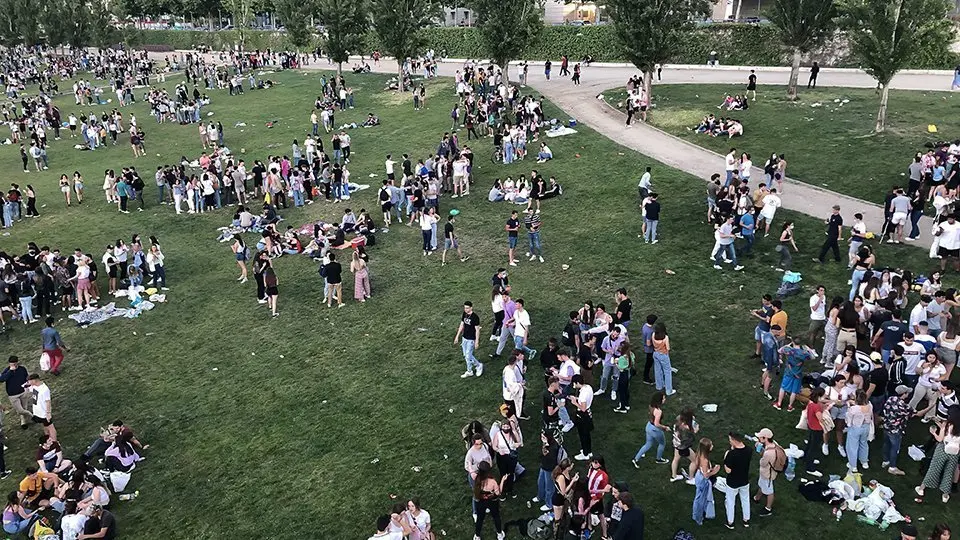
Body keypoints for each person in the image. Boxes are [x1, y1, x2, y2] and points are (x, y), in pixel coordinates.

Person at [914, 407, 960, 503]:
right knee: (949, 472)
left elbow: (940, 439)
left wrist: (934, 433)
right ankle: (945, 495)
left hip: (942, 449)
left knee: (934, 469)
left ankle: (922, 489)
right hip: (955, 452)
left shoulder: (946, 424)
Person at [881, 384, 914, 475]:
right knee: (894, 448)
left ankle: (885, 461)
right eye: (907, 393)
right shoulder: (903, 405)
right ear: (904, 394)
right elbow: (916, 414)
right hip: (895, 430)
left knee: (886, 444)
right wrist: (930, 407)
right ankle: (892, 467)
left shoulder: (890, 399)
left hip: (886, 426)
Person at [722, 432, 752, 530]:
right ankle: (746, 520)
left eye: (730, 439)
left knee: (730, 502)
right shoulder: (749, 450)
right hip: (744, 480)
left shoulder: (731, 454)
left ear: (734, 440)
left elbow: (728, 470)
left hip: (732, 482)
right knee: (745, 500)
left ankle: (730, 522)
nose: (729, 441)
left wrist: (725, 458)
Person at [632, 391, 671, 465]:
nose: (664, 399)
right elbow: (657, 424)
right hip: (655, 429)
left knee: (648, 444)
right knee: (662, 443)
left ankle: (636, 458)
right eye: (663, 398)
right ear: (659, 400)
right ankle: (658, 459)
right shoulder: (659, 411)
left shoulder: (651, 405)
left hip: (648, 426)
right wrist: (665, 427)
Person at [473, 462, 506, 540]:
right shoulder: (492, 482)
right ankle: (499, 534)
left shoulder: (476, 479)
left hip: (480, 502)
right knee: (496, 516)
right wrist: (503, 481)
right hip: (492, 501)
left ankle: (477, 536)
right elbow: (498, 493)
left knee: (480, 519)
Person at [802, 387, 829, 477]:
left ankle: (806, 458)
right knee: (813, 448)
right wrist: (825, 410)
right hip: (817, 429)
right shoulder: (816, 406)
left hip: (811, 426)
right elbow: (820, 419)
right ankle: (810, 468)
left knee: (810, 444)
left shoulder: (811, 403)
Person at [0, 356, 31, 429]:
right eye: (11, 364)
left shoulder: (22, 369)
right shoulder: (7, 371)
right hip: (13, 395)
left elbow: (27, 378)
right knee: (20, 410)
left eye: (14, 364)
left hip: (23, 392)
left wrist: (27, 386)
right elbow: (1, 379)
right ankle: (31, 415)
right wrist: (10, 371)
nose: (13, 365)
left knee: (24, 407)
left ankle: (23, 421)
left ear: (17, 362)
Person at [455, 301, 483, 378]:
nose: (466, 309)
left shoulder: (475, 317)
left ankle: (471, 370)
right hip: (464, 338)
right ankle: (477, 365)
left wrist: (476, 341)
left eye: (467, 308)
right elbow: (462, 325)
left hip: (471, 339)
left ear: (471, 308)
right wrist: (457, 336)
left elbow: (477, 330)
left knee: (468, 356)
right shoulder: (464, 314)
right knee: (466, 355)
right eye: (465, 308)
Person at [28, 374, 55, 440]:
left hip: (44, 412)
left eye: (29, 381)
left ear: (34, 380)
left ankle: (55, 442)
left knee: (50, 427)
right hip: (38, 412)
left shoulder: (44, 389)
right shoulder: (34, 386)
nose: (28, 382)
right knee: (44, 425)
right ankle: (48, 438)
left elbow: (48, 401)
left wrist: (48, 413)